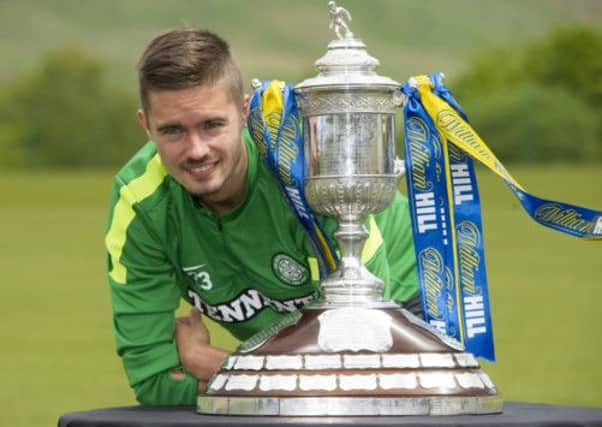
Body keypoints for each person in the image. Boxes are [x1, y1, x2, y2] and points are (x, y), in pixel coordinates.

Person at [104, 28, 420, 406]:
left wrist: (204, 361)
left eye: (211, 125)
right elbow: (156, 382)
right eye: (172, 131)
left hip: (406, 308)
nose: (196, 150)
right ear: (145, 125)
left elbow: (357, 372)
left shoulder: (302, 173)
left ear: (242, 110)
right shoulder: (140, 201)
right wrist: (266, 374)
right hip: (294, 356)